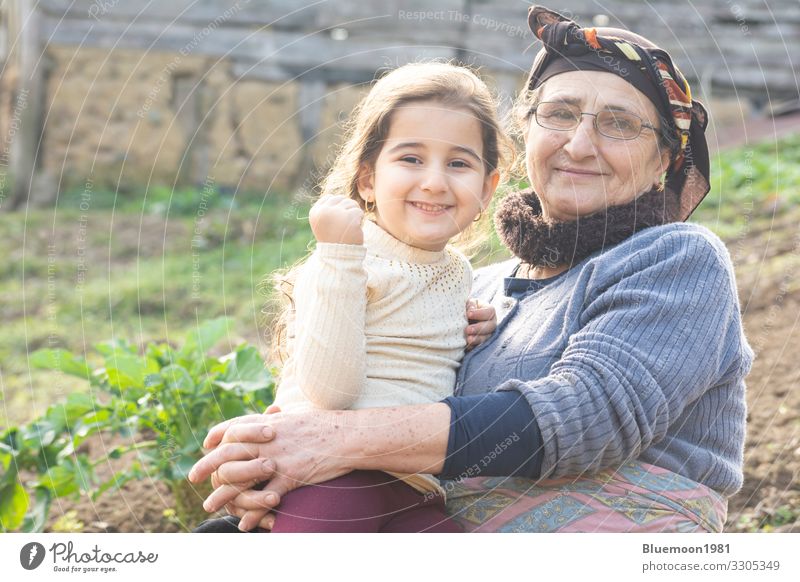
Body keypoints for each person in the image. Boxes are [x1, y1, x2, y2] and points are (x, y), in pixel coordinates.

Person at [189, 6, 753, 533]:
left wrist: (333, 441)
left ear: (664, 160)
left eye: (620, 124)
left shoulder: (677, 259)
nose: (580, 145)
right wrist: (268, 458)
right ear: (526, 131)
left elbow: (586, 416)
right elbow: (373, 389)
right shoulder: (472, 289)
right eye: (558, 114)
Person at [196, 62, 507, 532]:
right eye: (411, 159)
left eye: (459, 163)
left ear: (487, 188)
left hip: (414, 485)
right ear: (366, 180)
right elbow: (331, 391)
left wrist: (475, 327)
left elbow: (413, 350)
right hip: (325, 476)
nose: (435, 182)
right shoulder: (343, 259)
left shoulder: (457, 273)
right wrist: (339, 257)